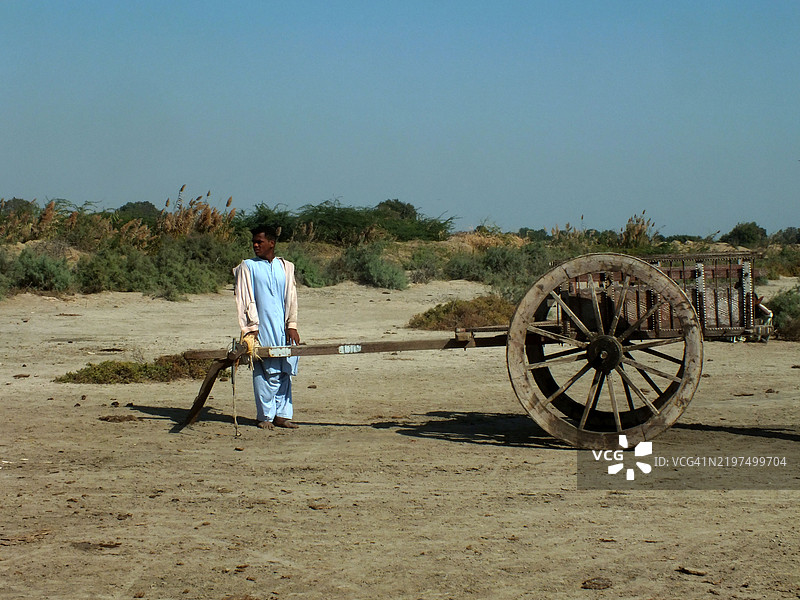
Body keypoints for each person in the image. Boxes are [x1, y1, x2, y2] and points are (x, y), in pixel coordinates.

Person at [233, 225, 301, 430]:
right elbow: (244, 299)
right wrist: (250, 328)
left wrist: (292, 324)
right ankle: (265, 416)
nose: (255, 245)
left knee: (284, 369)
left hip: (282, 327)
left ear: (271, 243)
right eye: (253, 242)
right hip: (260, 327)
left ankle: (282, 415)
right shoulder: (247, 266)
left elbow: (291, 297)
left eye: (259, 242)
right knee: (265, 370)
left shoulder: (286, 266)